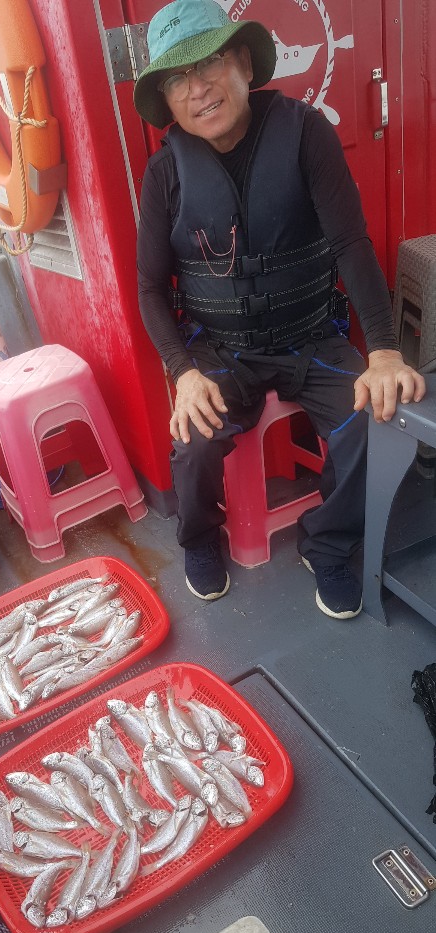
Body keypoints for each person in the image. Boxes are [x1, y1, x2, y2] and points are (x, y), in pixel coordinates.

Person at [134, 0, 425, 618]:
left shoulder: (305, 132)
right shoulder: (164, 174)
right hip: (221, 349)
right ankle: (200, 540)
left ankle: (329, 544)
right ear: (167, 100)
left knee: (373, 421)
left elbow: (351, 244)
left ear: (244, 63)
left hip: (312, 335)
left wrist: (383, 350)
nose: (198, 87)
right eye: (178, 78)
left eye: (210, 62)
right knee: (193, 441)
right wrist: (182, 372)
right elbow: (150, 288)